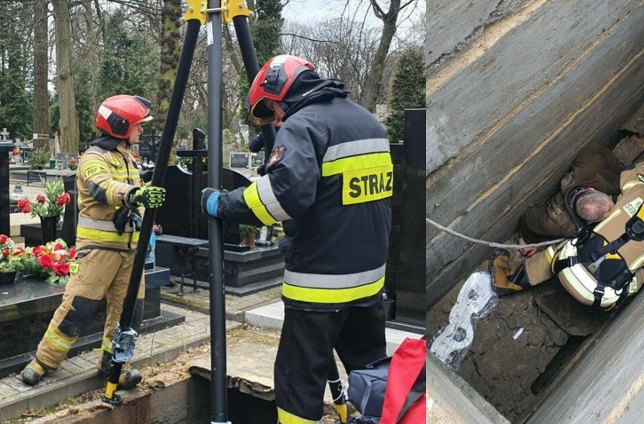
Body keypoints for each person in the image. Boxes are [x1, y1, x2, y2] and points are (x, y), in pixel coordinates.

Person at [200, 55, 392, 423]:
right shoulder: (368, 122)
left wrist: (222, 203)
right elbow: (346, 198)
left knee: (297, 385)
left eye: (272, 111)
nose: (276, 120)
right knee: (373, 372)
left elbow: (284, 197)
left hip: (318, 289)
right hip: (369, 282)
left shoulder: (303, 126)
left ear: (279, 93)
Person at [20, 95, 166, 388]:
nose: (141, 129)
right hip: (98, 253)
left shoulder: (127, 157)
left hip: (130, 252)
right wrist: (134, 195)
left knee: (128, 315)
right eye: (138, 124)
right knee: (77, 309)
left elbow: (129, 197)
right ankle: (44, 361)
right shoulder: (93, 158)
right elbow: (103, 188)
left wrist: (145, 214)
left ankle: (115, 364)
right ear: (120, 125)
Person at [495, 160, 644, 310]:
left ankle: (506, 283)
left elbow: (629, 173)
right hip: (598, 298)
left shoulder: (639, 192)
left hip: (566, 267)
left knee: (553, 255)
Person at [517, 142, 623, 256]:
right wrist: (529, 240)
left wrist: (622, 171)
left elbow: (595, 147)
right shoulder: (556, 221)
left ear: (591, 190)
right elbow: (528, 219)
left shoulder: (589, 166)